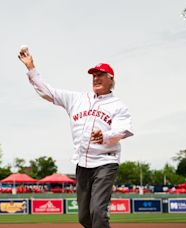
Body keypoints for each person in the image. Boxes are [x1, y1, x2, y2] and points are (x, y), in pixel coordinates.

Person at [18, 48, 133, 228]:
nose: (95, 78)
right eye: (93, 75)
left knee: (98, 212)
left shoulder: (118, 105)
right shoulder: (77, 99)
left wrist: (105, 135)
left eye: (100, 74)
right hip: (82, 164)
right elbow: (48, 92)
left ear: (111, 78)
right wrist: (31, 67)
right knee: (84, 217)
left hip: (105, 162)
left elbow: (123, 130)